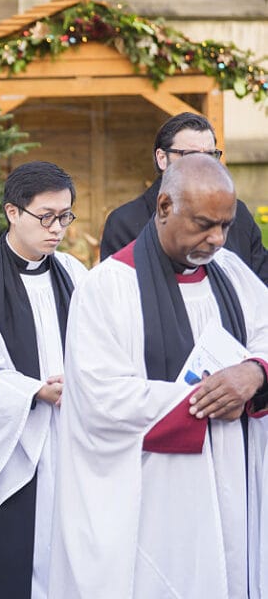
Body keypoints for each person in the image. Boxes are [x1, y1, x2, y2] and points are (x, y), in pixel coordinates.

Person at [49, 153, 268, 597]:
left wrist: (254, 373)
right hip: (149, 494)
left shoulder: (231, 273)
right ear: (165, 206)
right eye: (204, 224)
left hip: (233, 479)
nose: (217, 239)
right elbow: (100, 399)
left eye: (225, 226)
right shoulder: (108, 287)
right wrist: (210, 398)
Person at [0, 161, 87, 599]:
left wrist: (81, 382)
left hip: (67, 437)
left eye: (65, 217)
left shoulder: (74, 273)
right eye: (46, 217)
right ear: (12, 212)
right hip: (8, 444)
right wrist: (32, 391)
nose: (57, 229)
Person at [99, 112, 267, 284]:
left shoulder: (238, 214)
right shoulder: (124, 223)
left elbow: (261, 284)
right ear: (162, 158)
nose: (203, 164)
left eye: (210, 155)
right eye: (190, 155)